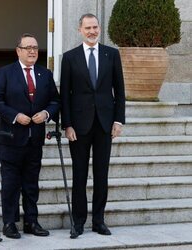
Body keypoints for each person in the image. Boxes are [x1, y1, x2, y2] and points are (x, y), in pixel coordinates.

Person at [0, 33, 60, 239]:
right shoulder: (5, 73)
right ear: (18, 50)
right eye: (27, 47)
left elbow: (55, 102)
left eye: (35, 48)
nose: (32, 51)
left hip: (35, 139)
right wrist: (15, 115)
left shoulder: (45, 74)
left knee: (31, 183)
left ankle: (31, 221)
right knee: (11, 182)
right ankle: (9, 223)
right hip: (10, 138)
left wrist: (46, 114)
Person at [60, 13, 125, 236]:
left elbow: (120, 91)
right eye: (87, 28)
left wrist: (118, 120)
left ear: (100, 29)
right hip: (78, 126)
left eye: (95, 27)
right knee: (79, 175)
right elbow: (65, 95)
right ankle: (78, 222)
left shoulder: (112, 54)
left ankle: (99, 221)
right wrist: (66, 124)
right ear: (80, 30)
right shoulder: (69, 57)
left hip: (105, 124)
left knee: (101, 175)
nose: (92, 31)